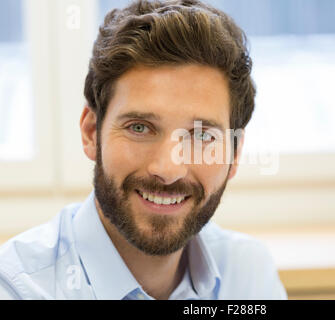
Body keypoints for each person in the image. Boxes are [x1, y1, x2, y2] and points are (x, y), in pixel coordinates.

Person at [0, 0, 287, 300]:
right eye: (139, 128)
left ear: (235, 154)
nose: (167, 169)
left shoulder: (248, 275)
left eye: (202, 135)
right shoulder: (17, 289)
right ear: (90, 133)